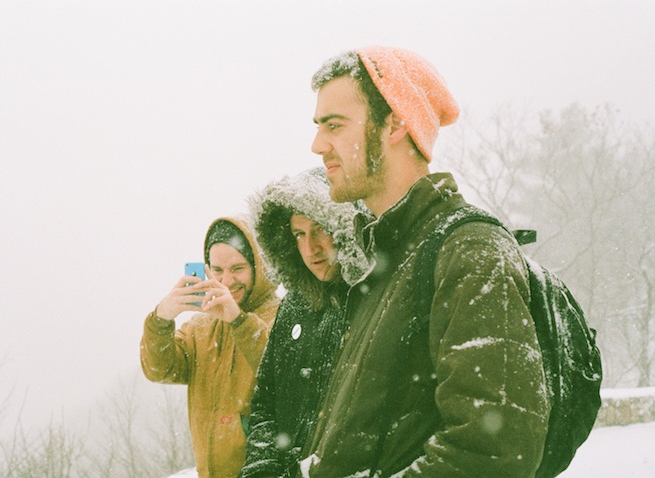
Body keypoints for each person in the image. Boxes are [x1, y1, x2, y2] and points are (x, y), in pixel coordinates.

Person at [300, 46, 551, 477]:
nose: (317, 145)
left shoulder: (469, 250)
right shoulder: (384, 260)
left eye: (334, 125)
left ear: (396, 122)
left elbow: (493, 451)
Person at [239, 167, 369, 478]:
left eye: (319, 229)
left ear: (343, 227)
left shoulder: (373, 299)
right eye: (299, 234)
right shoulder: (295, 305)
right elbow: (265, 404)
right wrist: (261, 470)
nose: (311, 248)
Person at [140, 216, 280, 478]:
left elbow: (282, 370)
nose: (226, 280)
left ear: (258, 267)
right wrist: (161, 318)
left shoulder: (283, 316)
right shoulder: (200, 328)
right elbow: (159, 369)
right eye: (217, 270)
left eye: (237, 268)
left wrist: (238, 321)